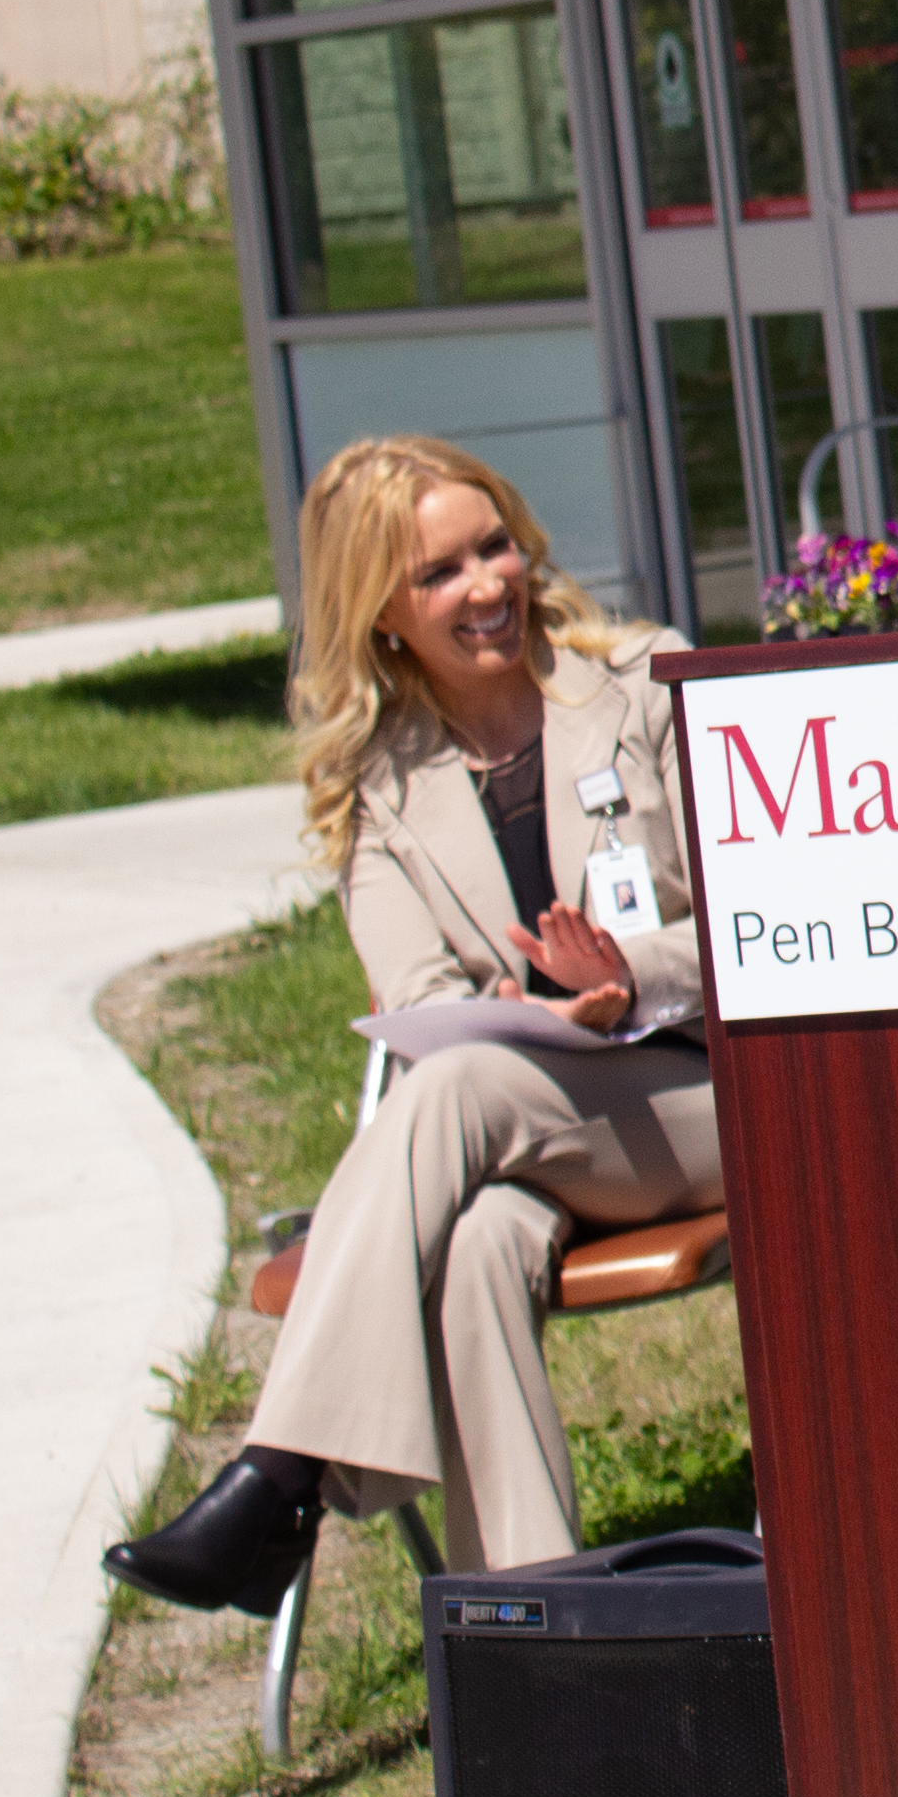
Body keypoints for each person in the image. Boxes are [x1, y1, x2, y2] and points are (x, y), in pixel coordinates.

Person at [103, 437, 722, 1605]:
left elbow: (767, 922)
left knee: (455, 1093)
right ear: (380, 613)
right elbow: (420, 1000)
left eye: (492, 547)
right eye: (438, 574)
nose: (485, 586)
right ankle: (534, 1628)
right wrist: (511, 1012)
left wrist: (629, 977)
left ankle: (279, 1478)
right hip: (532, 1125)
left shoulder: (648, 684)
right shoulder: (374, 783)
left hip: (707, 1099)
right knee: (479, 1243)